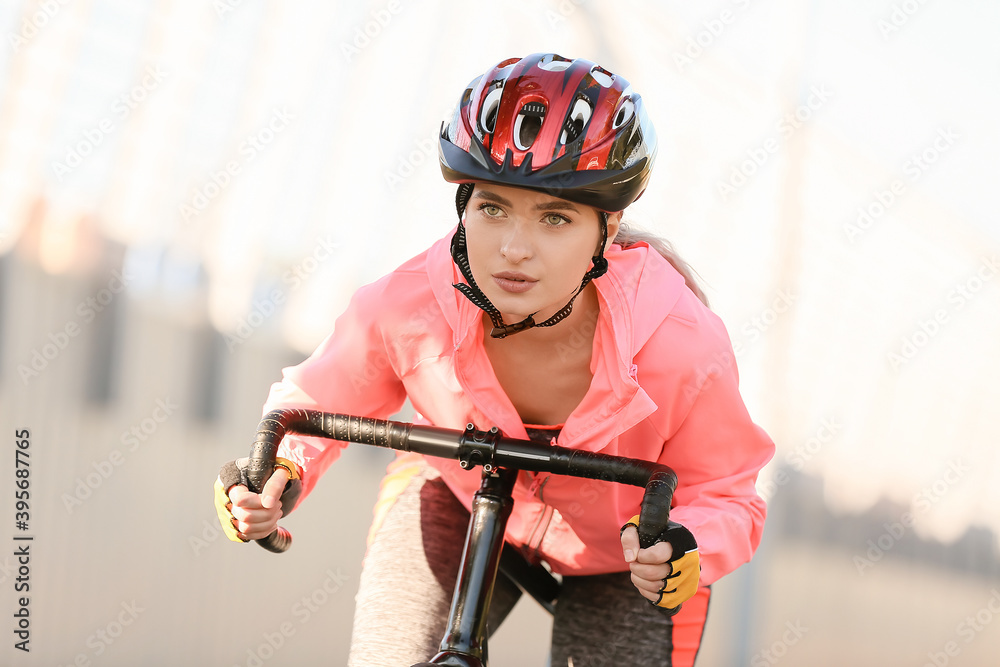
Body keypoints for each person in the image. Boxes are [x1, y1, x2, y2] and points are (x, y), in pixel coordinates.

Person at [215, 53, 774, 666]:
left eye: (555, 219)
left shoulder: (683, 344)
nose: (513, 248)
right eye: (491, 208)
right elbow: (315, 403)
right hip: (459, 499)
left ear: (607, 231)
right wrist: (276, 475)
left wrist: (687, 546)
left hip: (627, 557)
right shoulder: (409, 303)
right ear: (463, 206)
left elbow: (728, 492)